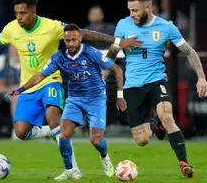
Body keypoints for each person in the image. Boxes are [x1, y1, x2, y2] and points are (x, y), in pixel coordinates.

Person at [0, 0, 139, 178]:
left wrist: (117, 41)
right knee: (21, 132)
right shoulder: (11, 29)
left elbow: (82, 34)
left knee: (53, 113)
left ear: (33, 11)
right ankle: (52, 130)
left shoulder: (51, 26)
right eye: (16, 13)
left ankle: (72, 168)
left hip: (51, 80)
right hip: (29, 85)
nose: (19, 18)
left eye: (22, 13)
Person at [106, 0, 207, 178]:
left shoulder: (166, 27)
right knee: (142, 140)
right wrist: (105, 70)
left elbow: (189, 51)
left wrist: (201, 77)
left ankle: (184, 163)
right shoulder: (123, 25)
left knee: (168, 117)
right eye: (130, 10)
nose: (132, 15)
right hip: (133, 86)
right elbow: (112, 53)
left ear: (148, 7)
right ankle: (155, 125)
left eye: (136, 10)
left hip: (156, 81)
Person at [10, 24, 126, 180]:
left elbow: (117, 70)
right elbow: (40, 76)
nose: (71, 43)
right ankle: (70, 171)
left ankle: (105, 157)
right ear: (64, 40)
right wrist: (22, 89)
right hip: (75, 99)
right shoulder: (59, 57)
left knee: (96, 140)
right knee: (64, 136)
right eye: (67, 40)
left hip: (96, 99)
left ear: (80, 38)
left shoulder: (91, 53)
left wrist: (120, 96)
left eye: (74, 40)